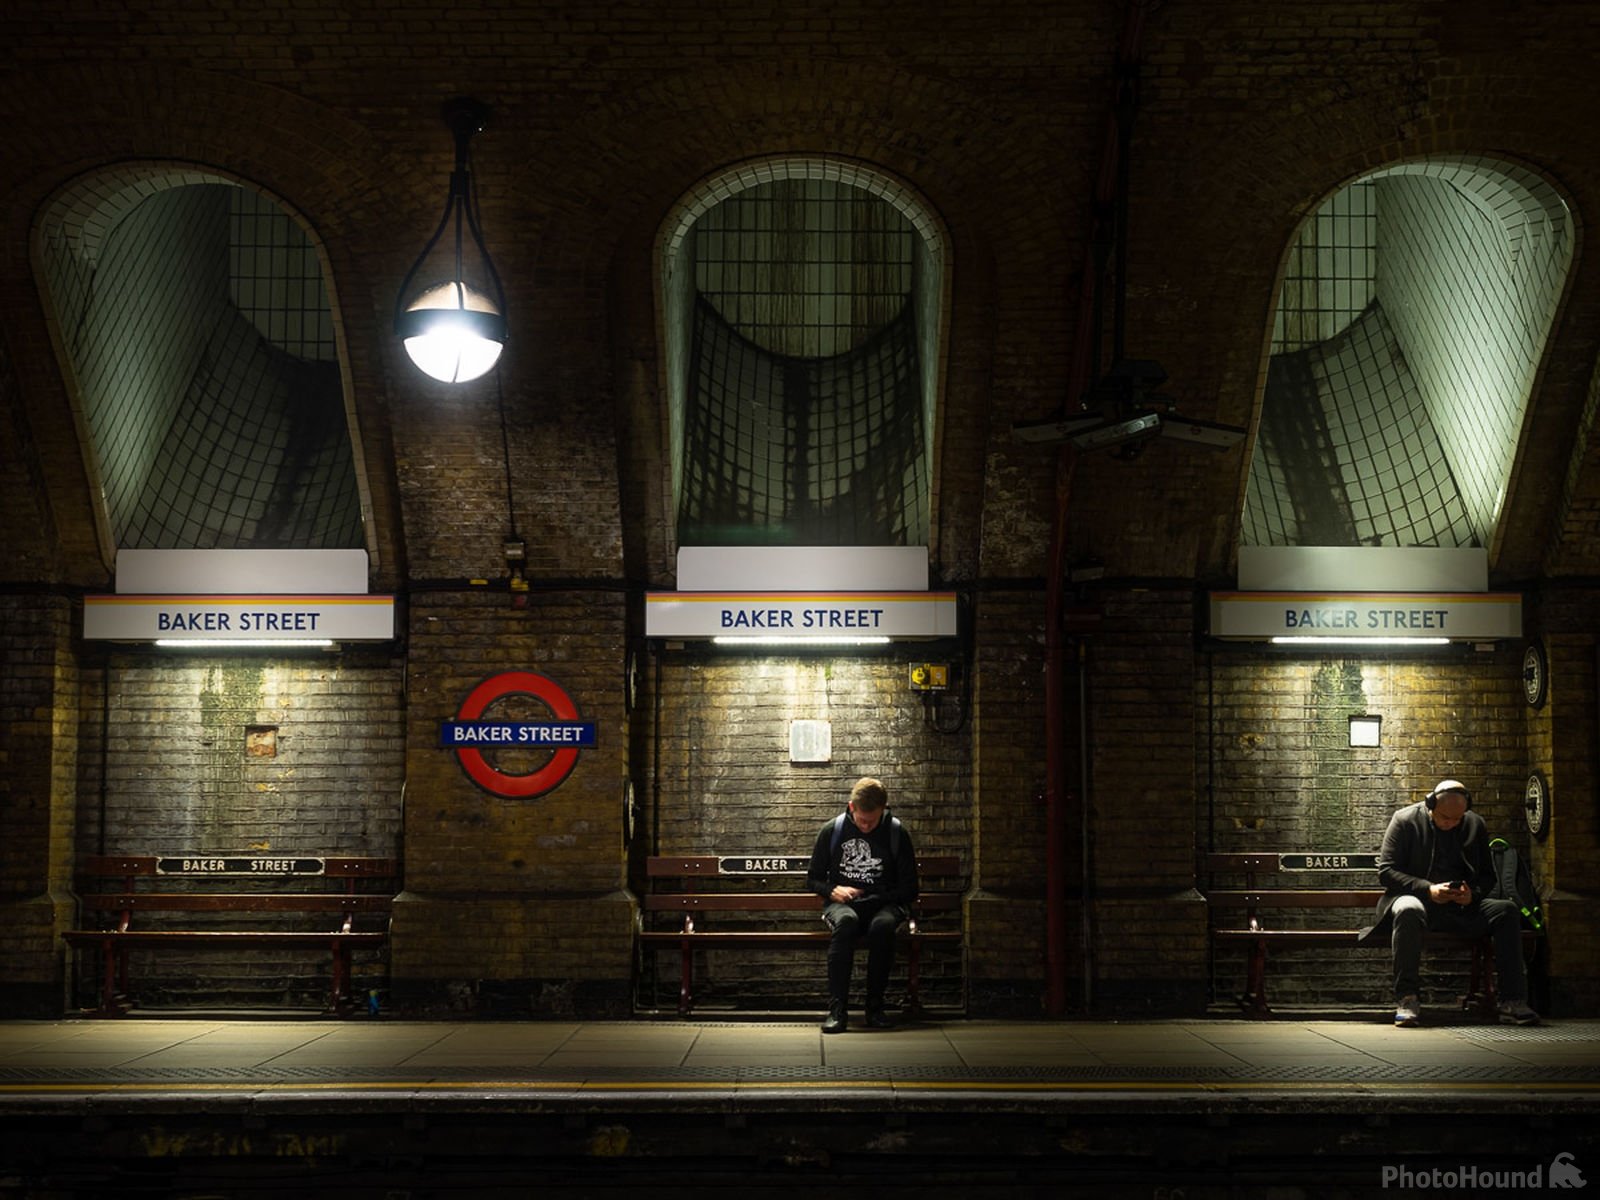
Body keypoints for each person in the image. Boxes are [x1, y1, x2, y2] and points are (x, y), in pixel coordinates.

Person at [1367, 779, 1539, 1027]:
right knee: (1407, 908)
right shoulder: (1405, 820)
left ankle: (1512, 1001)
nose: (1450, 824)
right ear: (1430, 805)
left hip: (1460, 906)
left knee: (1506, 911)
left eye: (1456, 819)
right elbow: (1387, 871)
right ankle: (1407, 998)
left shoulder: (1474, 824)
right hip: (1417, 901)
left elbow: (1488, 876)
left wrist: (1474, 894)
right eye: (1444, 818)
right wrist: (1428, 889)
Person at [806, 777, 919, 1034]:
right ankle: (837, 1010)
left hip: (885, 904)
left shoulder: (896, 833)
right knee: (846, 923)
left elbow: (910, 890)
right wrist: (832, 890)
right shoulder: (832, 830)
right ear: (851, 807)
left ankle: (875, 1008)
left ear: (884, 809)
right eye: (861, 820)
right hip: (843, 904)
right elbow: (812, 879)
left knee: (883, 926)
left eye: (873, 820)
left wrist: (870, 893)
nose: (866, 826)